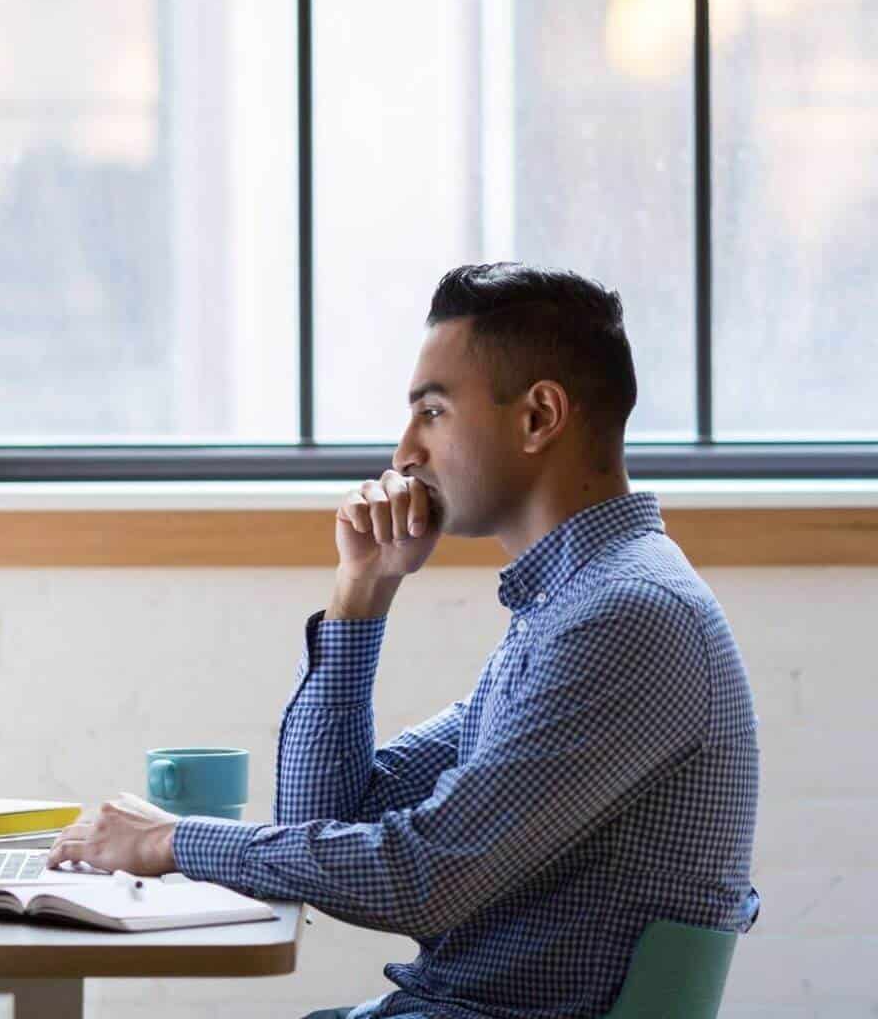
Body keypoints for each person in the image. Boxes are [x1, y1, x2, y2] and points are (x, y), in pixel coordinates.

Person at [49, 263, 761, 1019]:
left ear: (538, 417)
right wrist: (363, 591)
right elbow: (323, 819)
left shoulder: (625, 617)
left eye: (433, 412)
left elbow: (423, 879)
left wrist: (172, 842)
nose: (403, 454)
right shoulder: (567, 609)